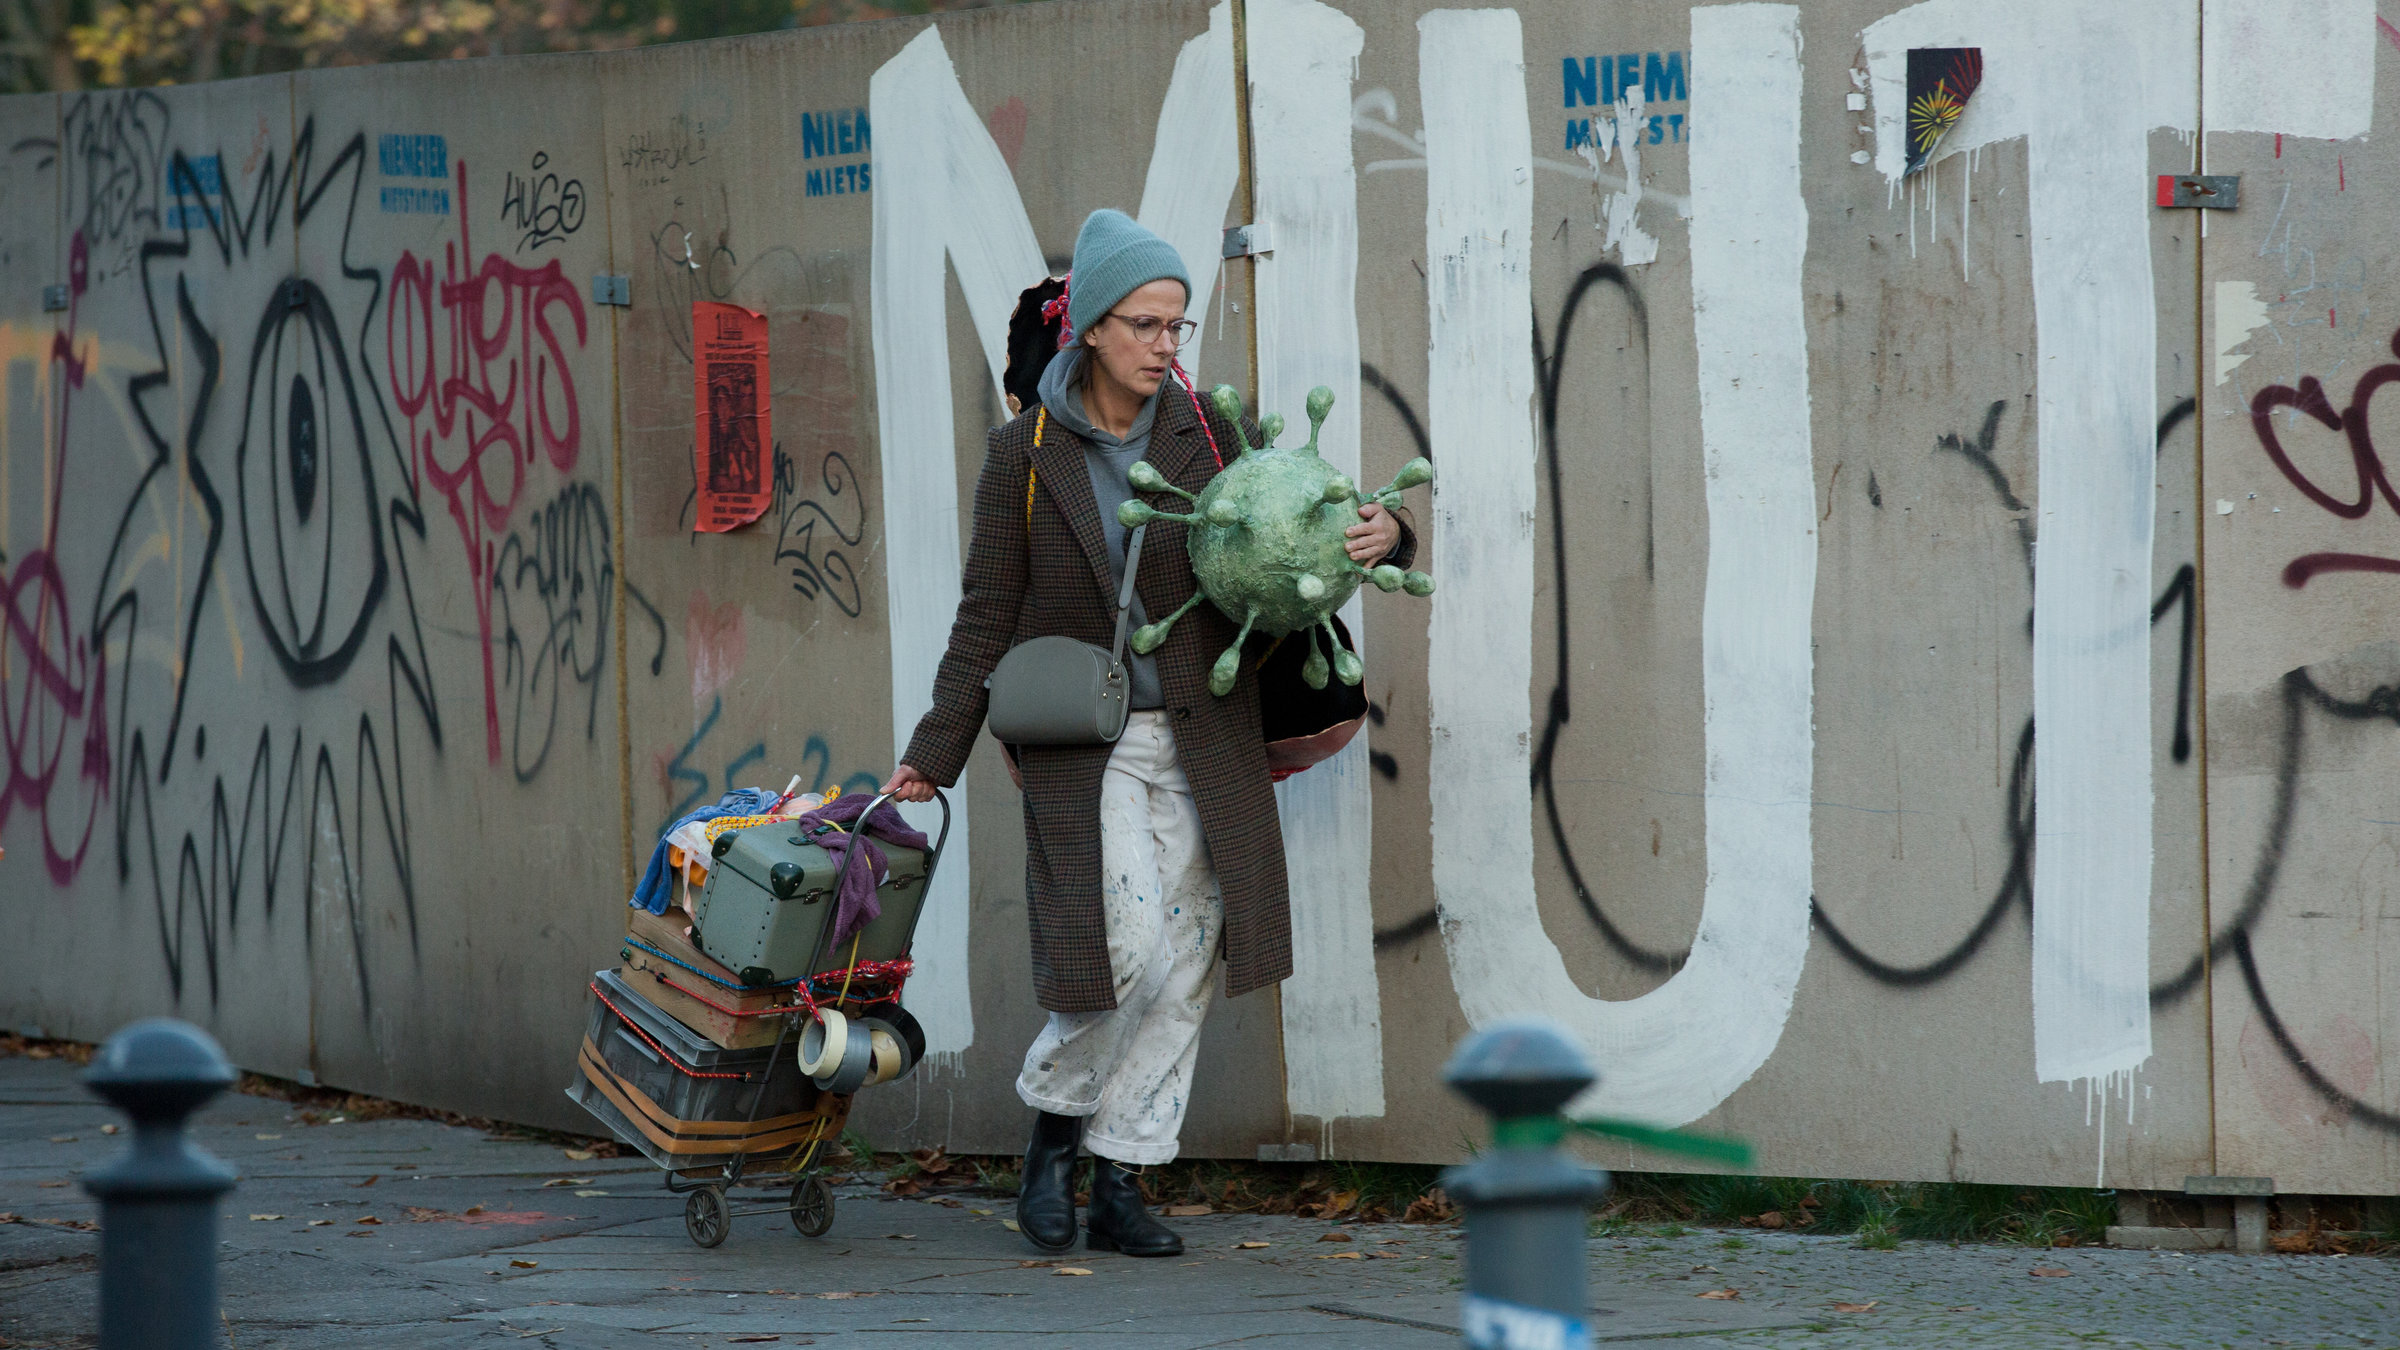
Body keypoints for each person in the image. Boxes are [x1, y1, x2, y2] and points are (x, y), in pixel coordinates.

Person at [881, 209, 1412, 1257]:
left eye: (1177, 321)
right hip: (1088, 745)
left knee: (1187, 966)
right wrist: (930, 752)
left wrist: (1384, 530)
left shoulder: (1213, 432)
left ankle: (1123, 1179)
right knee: (1121, 951)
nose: (1168, 343)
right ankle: (1053, 1135)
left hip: (1207, 736)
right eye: (1146, 323)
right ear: (1090, 329)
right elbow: (987, 612)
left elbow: (1313, 516)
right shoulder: (1023, 455)